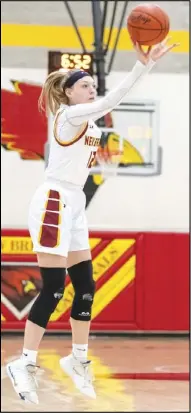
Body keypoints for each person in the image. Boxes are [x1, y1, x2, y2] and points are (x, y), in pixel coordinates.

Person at [6, 39, 178, 404]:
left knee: (85, 285)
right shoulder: (67, 115)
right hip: (53, 201)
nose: (91, 89)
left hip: (74, 202)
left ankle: (79, 357)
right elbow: (110, 100)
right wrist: (143, 66)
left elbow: (104, 109)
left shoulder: (90, 122)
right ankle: (24, 362)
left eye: (91, 85)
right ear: (68, 93)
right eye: (84, 85)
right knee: (53, 288)